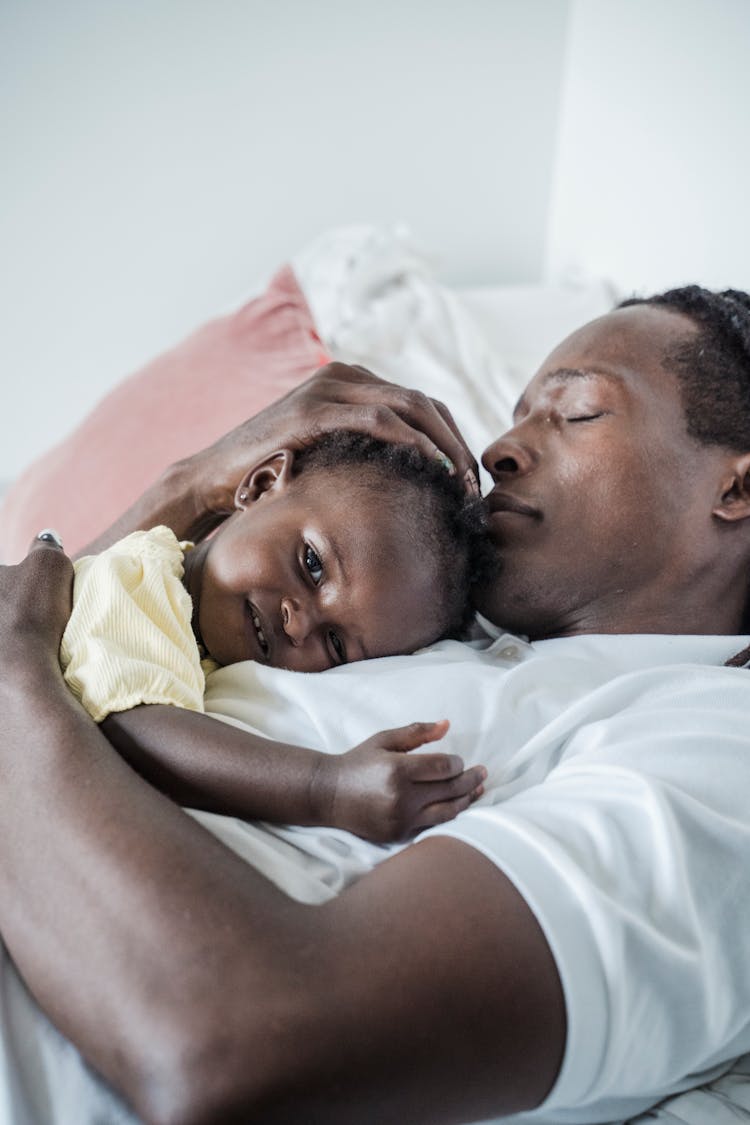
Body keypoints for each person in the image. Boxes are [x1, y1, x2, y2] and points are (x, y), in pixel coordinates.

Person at [1, 285, 750, 1125]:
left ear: (736, 488)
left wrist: (11, 680)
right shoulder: (437, 614)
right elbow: (73, 635)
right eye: (515, 414)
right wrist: (197, 480)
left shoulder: (720, 751)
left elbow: (227, 1047)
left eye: (575, 412)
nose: (502, 448)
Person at [61, 429, 490, 842]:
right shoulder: (137, 578)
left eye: (336, 644)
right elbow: (138, 732)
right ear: (263, 485)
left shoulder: (206, 645)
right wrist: (328, 788)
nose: (298, 624)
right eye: (312, 564)